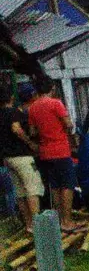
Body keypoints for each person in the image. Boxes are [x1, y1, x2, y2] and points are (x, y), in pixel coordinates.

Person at [27, 78, 83, 232]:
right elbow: (68, 124)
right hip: (60, 150)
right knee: (67, 184)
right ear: (51, 88)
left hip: (45, 152)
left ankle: (58, 221)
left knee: (55, 186)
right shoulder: (56, 103)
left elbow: (32, 132)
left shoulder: (33, 108)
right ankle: (67, 221)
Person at [0, 85, 44, 233]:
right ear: (11, 97)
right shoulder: (13, 112)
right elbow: (16, 129)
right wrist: (30, 143)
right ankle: (38, 226)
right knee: (32, 189)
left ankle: (29, 225)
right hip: (22, 157)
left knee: (20, 192)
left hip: (7, 158)